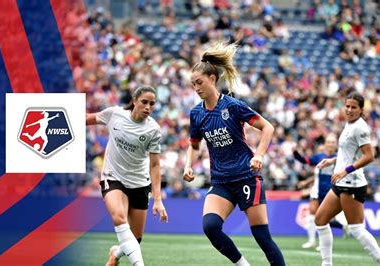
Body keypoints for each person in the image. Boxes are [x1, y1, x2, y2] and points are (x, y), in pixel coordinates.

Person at [183, 41, 285, 266]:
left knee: (262, 237)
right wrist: (188, 165)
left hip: (246, 176)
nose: (197, 88)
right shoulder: (196, 114)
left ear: (212, 79)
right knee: (210, 227)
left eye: (199, 82)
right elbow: (194, 143)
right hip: (221, 180)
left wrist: (258, 155)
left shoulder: (233, 106)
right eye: (193, 85)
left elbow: (268, 127)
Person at [86, 85, 168, 266]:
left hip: (139, 183)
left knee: (135, 240)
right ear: (134, 101)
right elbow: (86, 119)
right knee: (119, 217)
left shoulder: (153, 130)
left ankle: (115, 252)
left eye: (152, 104)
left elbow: (154, 165)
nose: (148, 107)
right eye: (144, 102)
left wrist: (158, 200)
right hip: (113, 177)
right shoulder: (114, 114)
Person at [315, 92, 380, 266]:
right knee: (320, 220)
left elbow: (369, 156)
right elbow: (349, 153)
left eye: (353, 107)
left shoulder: (360, 127)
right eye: (347, 106)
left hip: (352, 183)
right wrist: (333, 160)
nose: (349, 110)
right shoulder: (349, 124)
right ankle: (326, 264)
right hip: (341, 182)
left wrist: (345, 170)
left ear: (361, 109)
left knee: (356, 229)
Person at [293, 133, 348, 250]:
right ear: (325, 144)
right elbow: (305, 160)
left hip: (332, 190)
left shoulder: (340, 158)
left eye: (333, 142)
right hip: (317, 190)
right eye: (328, 142)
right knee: (312, 215)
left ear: (336, 145)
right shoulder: (319, 157)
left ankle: (330, 238)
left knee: (325, 218)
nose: (330, 144)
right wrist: (295, 153)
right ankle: (312, 241)